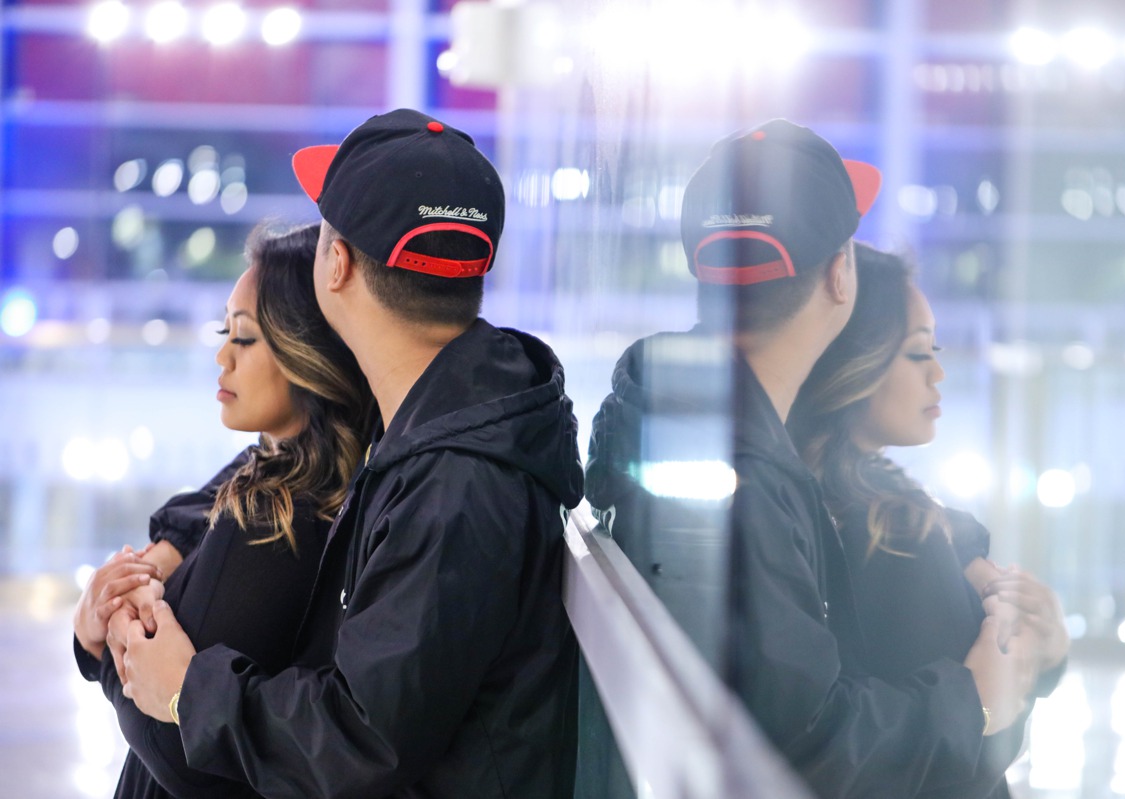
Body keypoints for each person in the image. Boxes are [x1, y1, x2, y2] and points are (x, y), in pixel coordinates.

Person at [115, 109, 583, 799]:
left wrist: (189, 692)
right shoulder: (439, 417)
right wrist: (174, 540)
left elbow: (361, 739)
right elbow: (291, 460)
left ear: (336, 265)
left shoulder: (457, 482)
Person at [585, 119, 1040, 797]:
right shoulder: (746, 478)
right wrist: (971, 702)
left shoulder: (669, 420)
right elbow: (811, 744)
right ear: (840, 274)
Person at [73, 222, 377, 798]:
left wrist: (110, 640)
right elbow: (194, 510)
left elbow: (178, 744)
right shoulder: (276, 472)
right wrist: (136, 586)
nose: (222, 356)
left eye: (242, 337)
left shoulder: (273, 519)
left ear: (303, 352)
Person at [787, 243, 1069, 798]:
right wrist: (1031, 664)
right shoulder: (896, 533)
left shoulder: (823, 499)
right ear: (854, 359)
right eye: (918, 353)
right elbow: (972, 750)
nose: (938, 372)